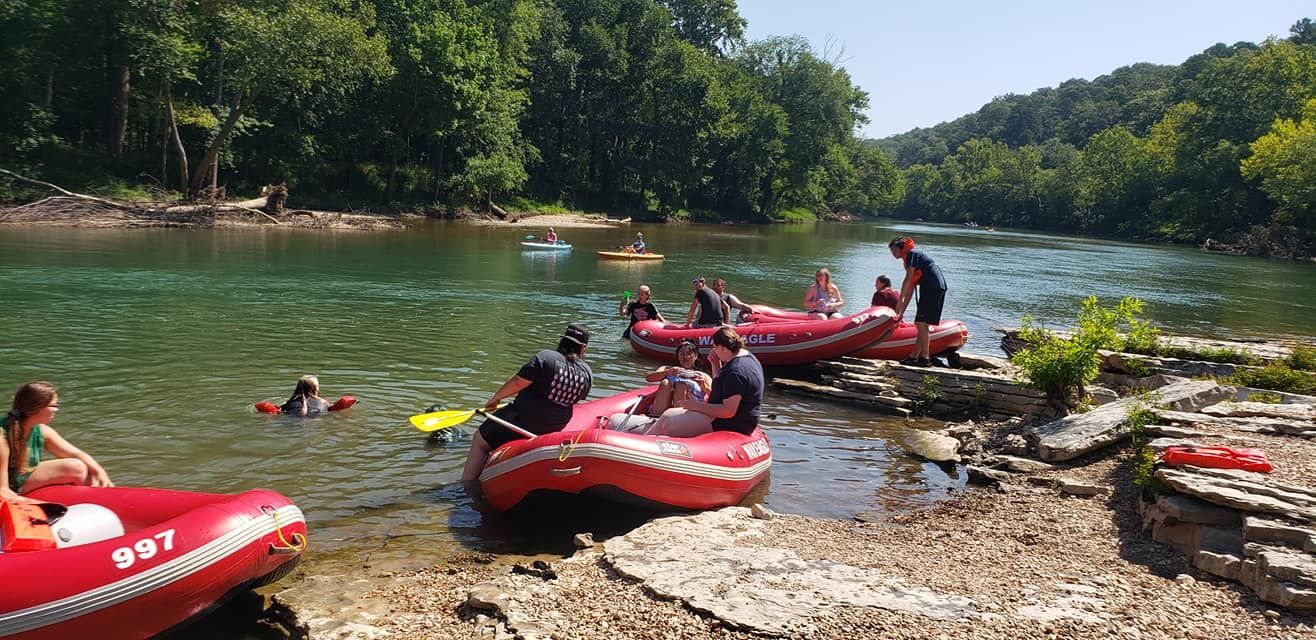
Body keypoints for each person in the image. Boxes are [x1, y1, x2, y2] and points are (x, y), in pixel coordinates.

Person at [461, 324, 593, 481]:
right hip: (554, 426)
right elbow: (575, 398)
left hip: (522, 420)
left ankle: (467, 484)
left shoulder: (546, 357)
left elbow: (517, 382)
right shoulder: (587, 373)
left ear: (562, 340)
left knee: (480, 441)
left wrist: (496, 399)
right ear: (583, 348)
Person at [1, 381, 113, 503]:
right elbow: (3, 492)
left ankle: (99, 501)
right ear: (37, 407)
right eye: (54, 405)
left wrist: (100, 472)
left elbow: (76, 454)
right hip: (4, 487)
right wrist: (45, 505)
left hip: (18, 480)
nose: (56, 410)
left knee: (76, 466)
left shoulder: (41, 430)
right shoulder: (2, 437)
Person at [648, 327, 764, 438]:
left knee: (669, 422)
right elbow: (721, 389)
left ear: (722, 347)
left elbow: (728, 411)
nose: (713, 350)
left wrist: (695, 406)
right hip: (733, 417)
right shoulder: (747, 357)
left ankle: (647, 446)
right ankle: (647, 439)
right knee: (669, 413)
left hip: (731, 423)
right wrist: (715, 365)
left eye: (715, 347)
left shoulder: (736, 372)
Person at [888, 235, 948, 367]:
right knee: (921, 324)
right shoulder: (910, 258)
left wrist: (899, 302)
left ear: (901, 247)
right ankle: (914, 357)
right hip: (935, 287)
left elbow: (908, 279)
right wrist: (901, 311)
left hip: (932, 287)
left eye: (894, 250)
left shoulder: (912, 254)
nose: (892, 254)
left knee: (921, 323)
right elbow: (910, 290)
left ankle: (925, 358)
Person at [642, 339, 713, 417]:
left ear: (695, 356)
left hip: (688, 410)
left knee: (680, 385)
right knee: (665, 383)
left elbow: (714, 396)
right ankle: (655, 415)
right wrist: (667, 372)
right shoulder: (667, 369)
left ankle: (678, 417)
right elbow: (649, 378)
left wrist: (704, 386)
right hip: (664, 408)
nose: (685, 357)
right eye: (682, 354)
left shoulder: (702, 375)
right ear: (678, 355)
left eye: (689, 354)